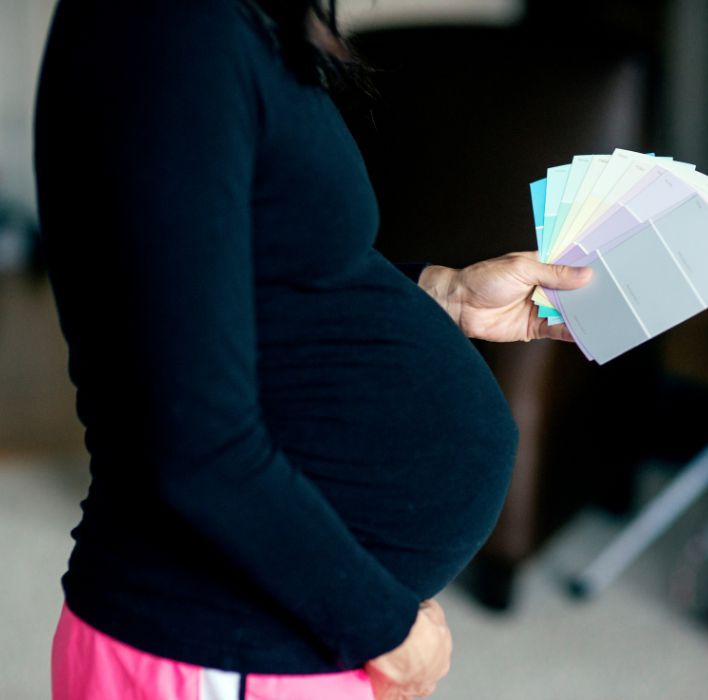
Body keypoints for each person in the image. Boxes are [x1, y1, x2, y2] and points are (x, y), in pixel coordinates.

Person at [34, 0, 592, 698]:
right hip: (220, 638)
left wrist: (440, 294)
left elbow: (259, 277)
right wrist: (383, 625)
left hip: (275, 630)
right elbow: (192, 440)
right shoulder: (169, 26)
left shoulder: (225, 24)